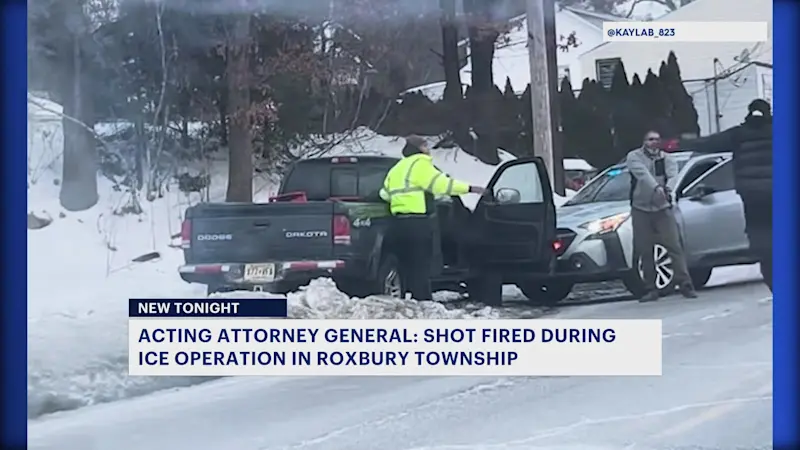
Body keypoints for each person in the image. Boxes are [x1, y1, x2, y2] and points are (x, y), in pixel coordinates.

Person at [379, 135, 485, 301]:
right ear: (419, 148)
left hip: (398, 223)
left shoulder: (397, 167)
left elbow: (384, 193)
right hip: (418, 223)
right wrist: (470, 188)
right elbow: (442, 185)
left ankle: (412, 302)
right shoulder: (420, 164)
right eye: (425, 145)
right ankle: (424, 304)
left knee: (408, 266)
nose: (428, 149)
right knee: (421, 267)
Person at [696, 99, 773, 292]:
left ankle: (773, 279)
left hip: (752, 196)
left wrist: (675, 142)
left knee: (760, 240)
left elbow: (708, 142)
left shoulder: (738, 134)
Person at [627, 130, 698, 302]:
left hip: (662, 207)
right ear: (644, 141)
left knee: (673, 245)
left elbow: (673, 175)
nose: (654, 143)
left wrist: (668, 189)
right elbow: (642, 175)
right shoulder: (634, 157)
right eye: (650, 139)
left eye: (657, 140)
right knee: (645, 249)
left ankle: (685, 283)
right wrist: (657, 188)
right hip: (641, 208)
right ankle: (651, 288)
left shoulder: (667, 158)